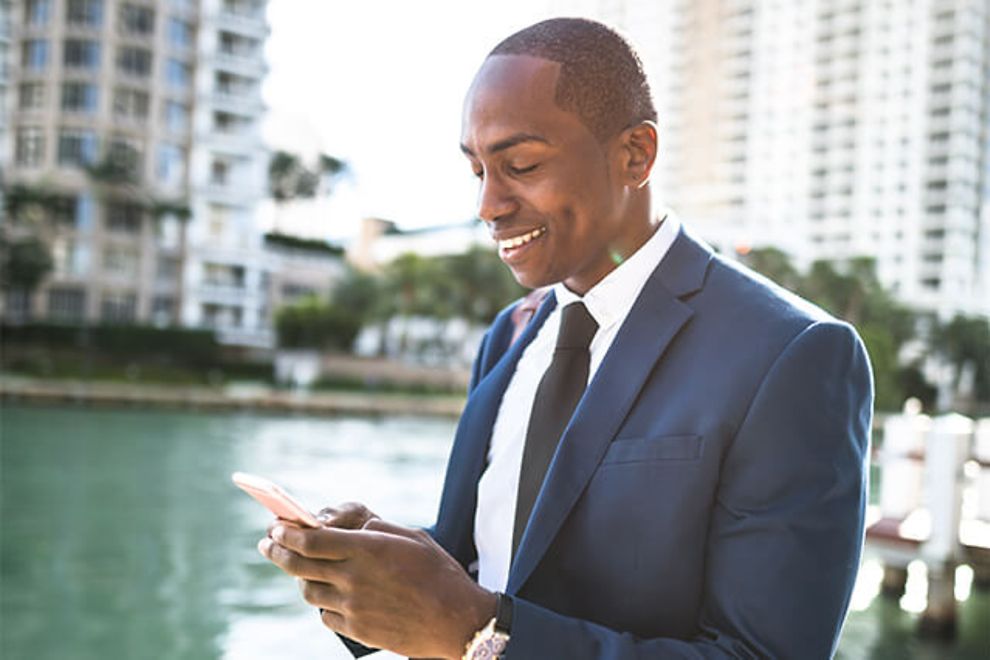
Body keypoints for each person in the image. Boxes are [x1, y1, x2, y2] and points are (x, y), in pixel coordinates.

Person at [258, 17, 873, 659]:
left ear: (636, 154)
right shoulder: (512, 334)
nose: (488, 205)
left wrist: (481, 638)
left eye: (520, 165)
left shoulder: (794, 354)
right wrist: (375, 567)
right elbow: (493, 565)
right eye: (477, 171)